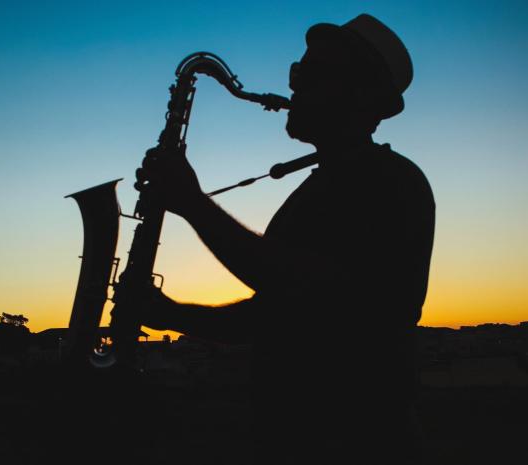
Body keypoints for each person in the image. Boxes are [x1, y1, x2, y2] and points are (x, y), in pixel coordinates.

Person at [136, 13, 435, 465]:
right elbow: (272, 315)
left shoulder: (391, 182)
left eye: (309, 75)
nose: (293, 87)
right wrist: (169, 314)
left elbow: (306, 286)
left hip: (356, 441)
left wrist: (191, 203)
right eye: (297, 72)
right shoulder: (320, 188)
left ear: (360, 95)